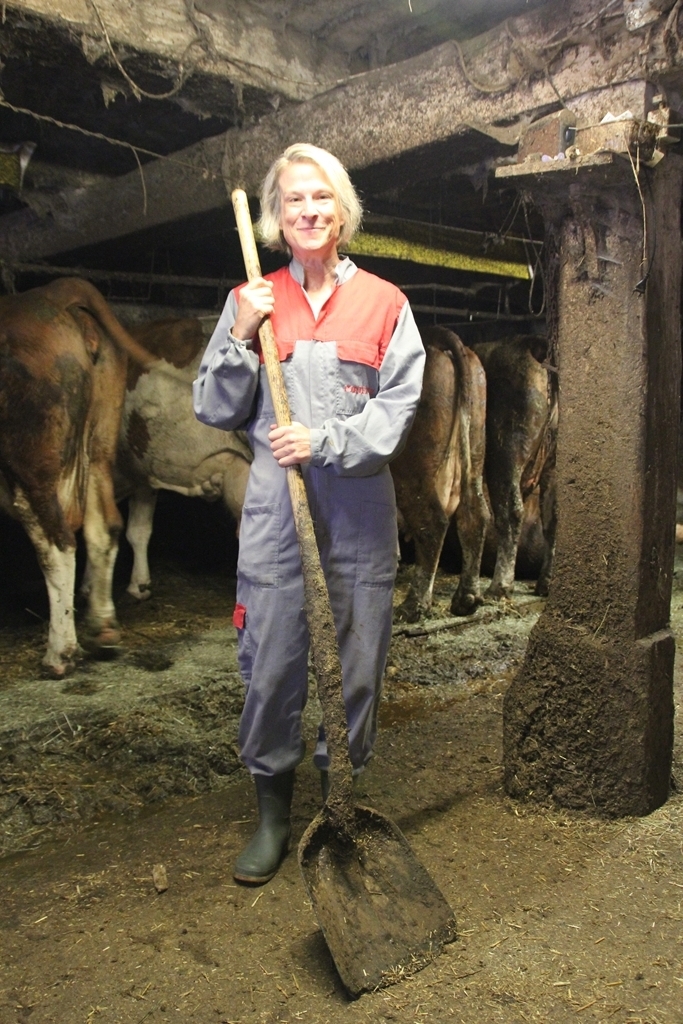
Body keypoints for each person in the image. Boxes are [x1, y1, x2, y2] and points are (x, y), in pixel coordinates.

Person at [193, 142, 425, 885]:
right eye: (294, 199)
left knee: (356, 666)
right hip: (275, 513)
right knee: (270, 661)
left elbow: (398, 410)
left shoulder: (385, 303)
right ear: (275, 216)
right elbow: (213, 407)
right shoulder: (252, 298)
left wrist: (323, 441)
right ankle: (271, 817)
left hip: (358, 511)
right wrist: (239, 332)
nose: (308, 210)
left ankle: (340, 806)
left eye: (321, 196)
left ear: (342, 211)